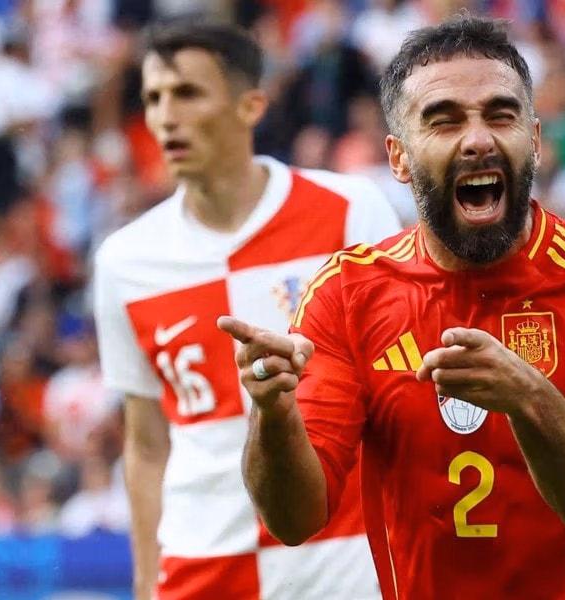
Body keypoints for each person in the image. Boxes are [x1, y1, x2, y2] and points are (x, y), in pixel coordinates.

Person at [218, 15, 565, 600]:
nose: (477, 140)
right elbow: (293, 521)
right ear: (398, 158)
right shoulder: (346, 294)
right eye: (444, 121)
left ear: (535, 140)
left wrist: (528, 397)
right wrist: (272, 414)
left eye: (500, 115)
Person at [92, 21, 400, 600]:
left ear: (250, 106)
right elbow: (147, 444)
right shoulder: (123, 261)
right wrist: (145, 581)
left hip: (340, 556)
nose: (165, 116)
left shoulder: (350, 210)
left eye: (187, 93)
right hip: (202, 562)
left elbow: (396, 394)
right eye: (154, 98)